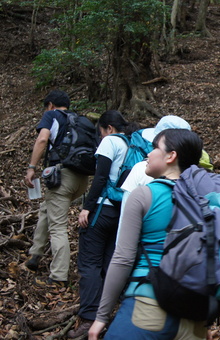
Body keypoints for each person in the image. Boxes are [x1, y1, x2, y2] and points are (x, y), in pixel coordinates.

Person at [88, 129, 208, 340]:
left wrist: (101, 317)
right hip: (193, 314)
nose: (148, 154)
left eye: (154, 148)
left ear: (171, 156)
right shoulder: (204, 199)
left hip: (148, 306)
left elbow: (123, 258)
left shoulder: (144, 194)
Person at [68, 110, 140, 339]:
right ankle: (113, 313)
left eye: (100, 131)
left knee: (89, 264)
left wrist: (87, 207)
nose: (100, 136)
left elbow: (100, 177)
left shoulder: (110, 142)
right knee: (110, 261)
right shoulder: (132, 144)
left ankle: (89, 317)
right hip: (122, 209)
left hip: (102, 207)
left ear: (108, 128)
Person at [24, 90, 89, 287]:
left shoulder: (52, 115)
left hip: (62, 177)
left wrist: (31, 168)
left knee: (58, 226)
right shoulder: (81, 121)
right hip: (82, 178)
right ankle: (35, 255)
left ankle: (58, 276)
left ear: (51, 105)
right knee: (47, 208)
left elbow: (42, 140)